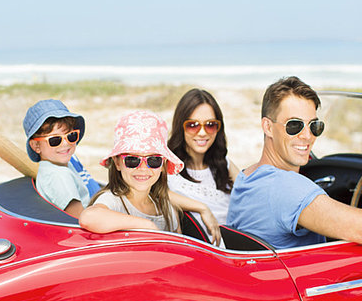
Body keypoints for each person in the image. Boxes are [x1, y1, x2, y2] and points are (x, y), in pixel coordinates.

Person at [227, 75, 362, 248]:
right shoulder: (287, 188)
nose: (307, 136)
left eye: (314, 126)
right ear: (268, 127)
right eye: (294, 125)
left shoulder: (247, 176)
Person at [79, 109, 221, 243]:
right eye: (132, 160)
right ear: (117, 163)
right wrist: (147, 226)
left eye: (153, 160)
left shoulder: (165, 208)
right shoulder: (113, 201)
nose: (143, 168)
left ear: (163, 165)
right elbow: (88, 217)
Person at [168, 89, 238, 232]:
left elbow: (250, 195)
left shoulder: (225, 164)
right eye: (192, 125)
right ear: (180, 127)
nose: (202, 133)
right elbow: (155, 194)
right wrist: (201, 208)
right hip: (197, 250)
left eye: (210, 125)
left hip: (234, 248)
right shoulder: (166, 164)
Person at [24, 99, 99, 219]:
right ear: (36, 146)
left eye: (71, 136)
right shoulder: (58, 177)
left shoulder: (60, 165)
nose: (65, 144)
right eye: (55, 140)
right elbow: (81, 219)